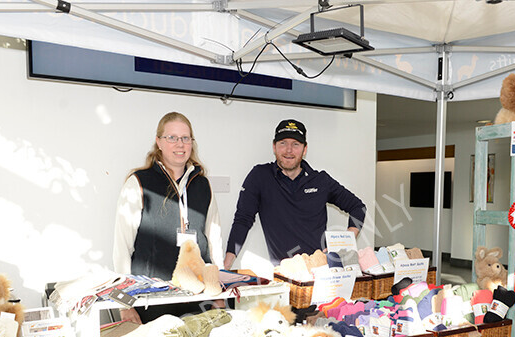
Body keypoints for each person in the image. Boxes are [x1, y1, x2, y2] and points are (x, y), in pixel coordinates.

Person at [113, 112, 223, 322]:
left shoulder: (203, 185)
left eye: (185, 138)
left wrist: (219, 294)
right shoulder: (138, 183)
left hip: (198, 299)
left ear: (192, 143)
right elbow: (121, 250)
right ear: (159, 142)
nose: (179, 144)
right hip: (151, 301)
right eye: (171, 137)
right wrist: (124, 305)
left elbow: (215, 244)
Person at [224, 119, 366, 268]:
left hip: (323, 271)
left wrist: (344, 243)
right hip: (286, 275)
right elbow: (242, 220)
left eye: (295, 144)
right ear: (274, 147)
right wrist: (226, 267)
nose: (289, 150)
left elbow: (358, 207)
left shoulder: (320, 180)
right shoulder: (260, 177)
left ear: (304, 149)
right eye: (283, 143)